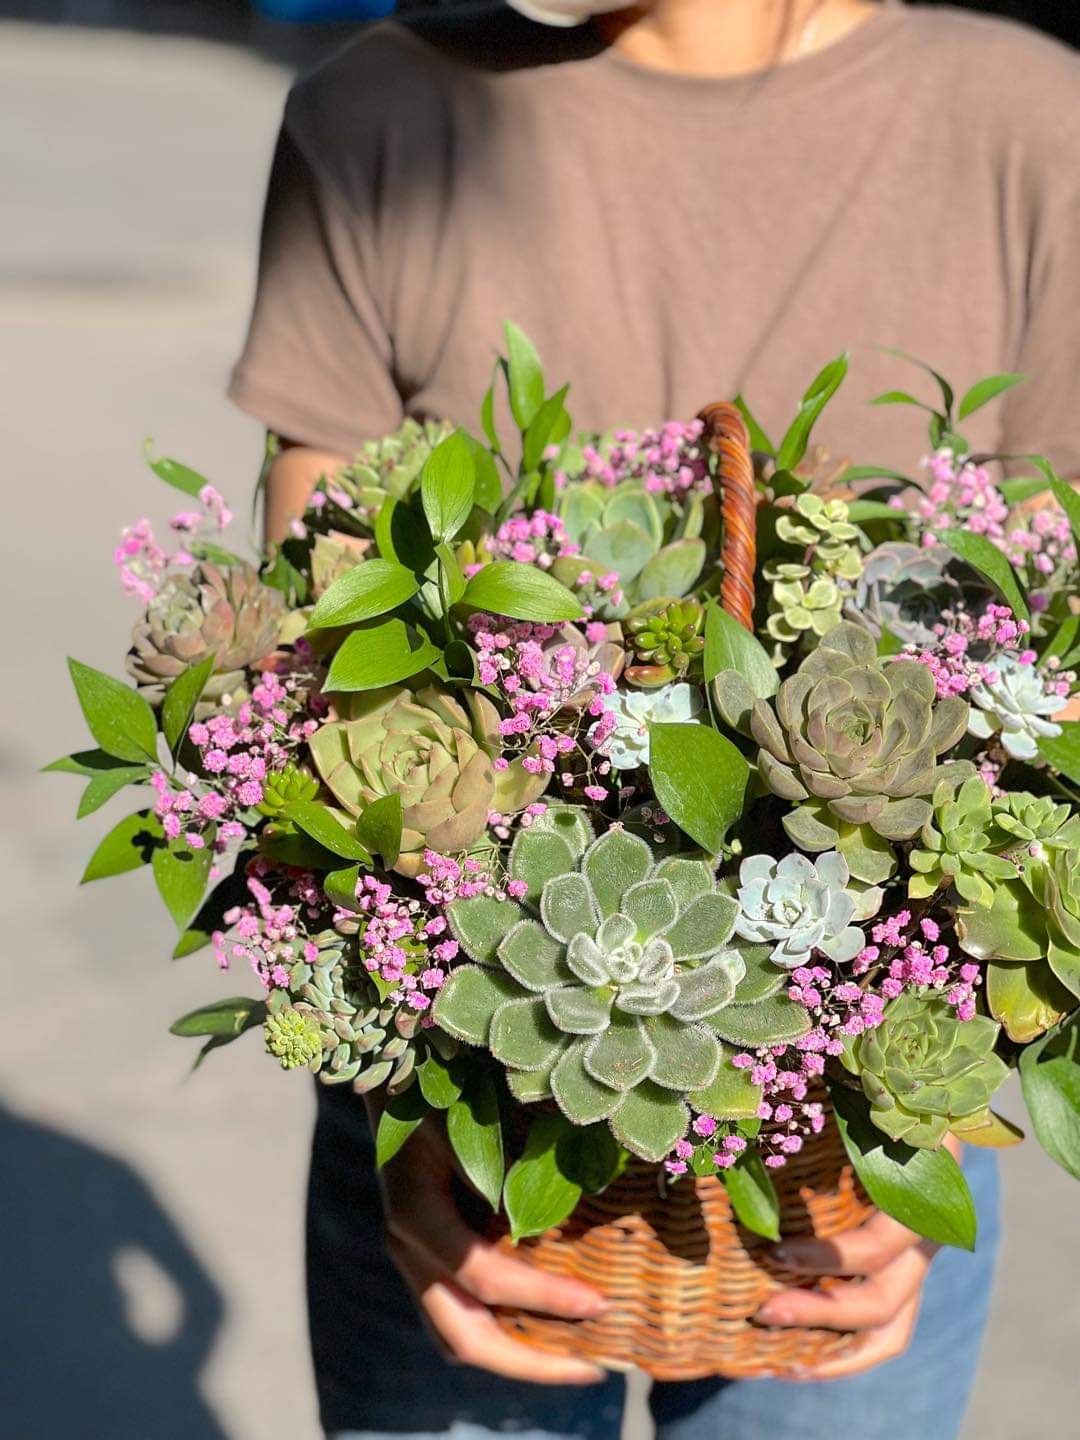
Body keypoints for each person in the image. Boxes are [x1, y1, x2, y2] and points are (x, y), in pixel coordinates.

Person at [228, 3, 1080, 1437]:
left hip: (846, 1155)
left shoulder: (1027, 123)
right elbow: (307, 684)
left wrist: (931, 1136)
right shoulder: (374, 113)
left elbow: (1056, 672)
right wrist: (408, 1120)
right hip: (458, 1113)